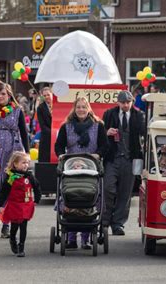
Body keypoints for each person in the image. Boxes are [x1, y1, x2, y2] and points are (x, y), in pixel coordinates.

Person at [54, 97, 108, 249]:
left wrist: (98, 154)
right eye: (78, 107)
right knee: (71, 195)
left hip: (91, 165)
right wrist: (61, 155)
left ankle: (86, 238)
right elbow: (59, 146)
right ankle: (71, 237)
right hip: (71, 165)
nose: (81, 110)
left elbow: (105, 145)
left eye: (84, 107)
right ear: (74, 108)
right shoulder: (67, 126)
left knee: (88, 196)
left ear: (89, 108)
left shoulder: (98, 126)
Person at [0, 81, 29, 238]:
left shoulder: (17, 111)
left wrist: (27, 153)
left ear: (9, 95)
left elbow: (24, 132)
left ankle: (5, 225)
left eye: (3, 94)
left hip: (13, 150)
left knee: (9, 187)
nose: (0, 96)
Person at [102, 91, 145, 236]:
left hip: (130, 159)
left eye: (128, 102)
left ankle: (118, 224)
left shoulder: (139, 115)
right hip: (112, 157)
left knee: (125, 193)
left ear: (132, 102)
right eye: (123, 102)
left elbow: (145, 134)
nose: (126, 105)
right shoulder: (109, 114)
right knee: (108, 188)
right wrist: (106, 132)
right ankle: (105, 221)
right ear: (118, 103)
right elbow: (100, 133)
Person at [0, 152, 41, 257]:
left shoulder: (29, 176)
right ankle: (12, 240)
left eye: (27, 162)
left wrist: (37, 199)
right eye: (23, 162)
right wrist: (0, 205)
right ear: (15, 164)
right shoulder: (11, 177)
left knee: (23, 226)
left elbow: (37, 187)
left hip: (26, 204)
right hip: (14, 205)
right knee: (14, 226)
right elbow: (4, 191)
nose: (26, 165)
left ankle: (21, 247)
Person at [37, 87, 53, 162]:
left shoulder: (57, 105)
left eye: (48, 95)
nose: (46, 97)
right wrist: (52, 133)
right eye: (44, 95)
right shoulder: (40, 108)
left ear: (52, 94)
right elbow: (42, 124)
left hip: (58, 136)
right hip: (46, 136)